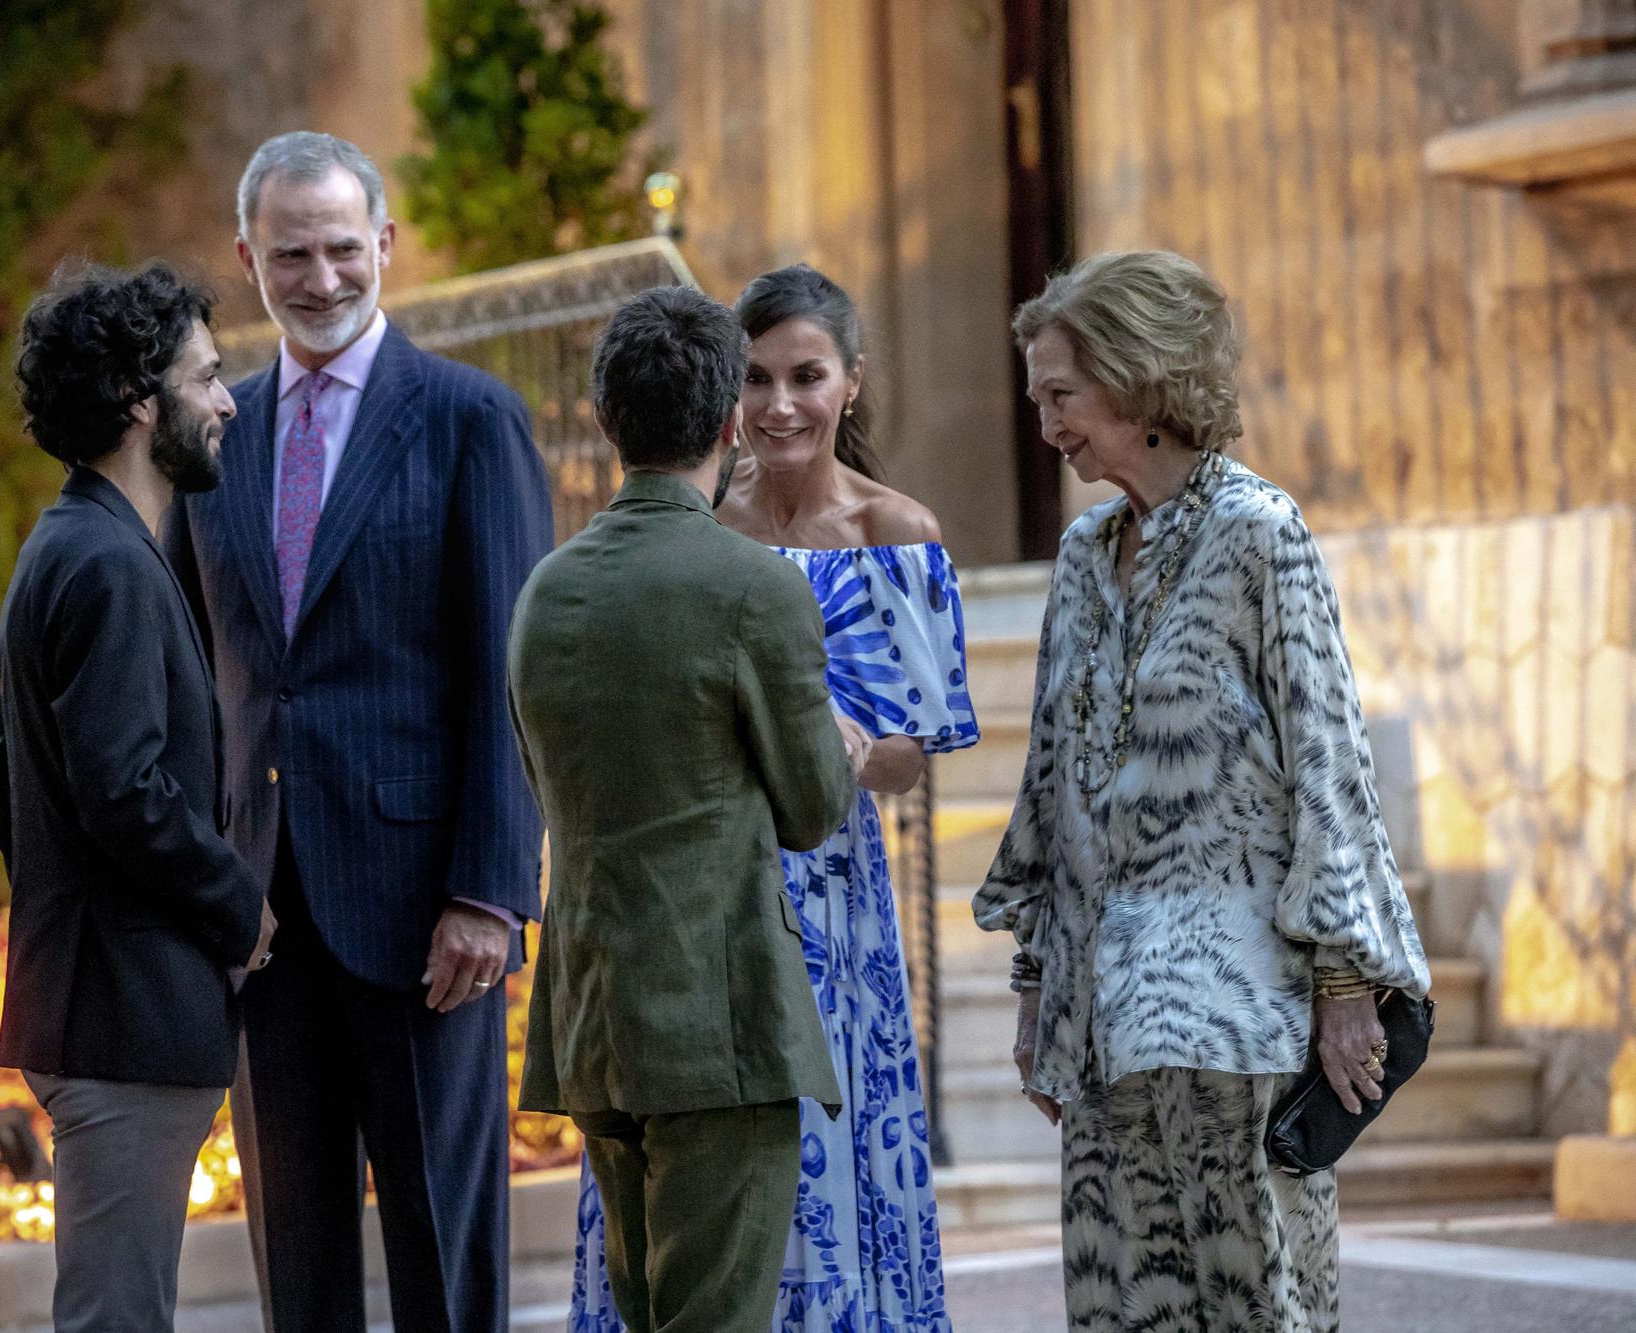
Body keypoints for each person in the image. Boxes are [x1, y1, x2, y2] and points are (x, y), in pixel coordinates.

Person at [972, 250, 1430, 1332]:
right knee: (1121, 1303)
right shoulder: (1083, 555)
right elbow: (1049, 781)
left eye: (1059, 394)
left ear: (1135, 385)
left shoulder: (1261, 534)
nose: (1045, 424)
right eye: (1036, 397)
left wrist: (1343, 981)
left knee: (1255, 1303)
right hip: (1101, 1015)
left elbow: (1328, 760)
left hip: (1235, 1015)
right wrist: (1036, 983)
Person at [159, 130, 552, 1332]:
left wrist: (488, 891)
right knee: (296, 1253)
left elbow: (509, 672)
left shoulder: (468, 418)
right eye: (291, 255)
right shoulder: (214, 433)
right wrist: (203, 880)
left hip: (424, 912)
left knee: (443, 1240)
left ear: (384, 244)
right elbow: (196, 668)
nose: (320, 277)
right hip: (262, 916)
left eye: (341, 249)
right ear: (247, 257)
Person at [568, 264, 978, 1330]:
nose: (779, 403)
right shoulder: (693, 522)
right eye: (754, 378)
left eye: (806, 375)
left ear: (851, 384)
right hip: (694, 886)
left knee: (820, 1144)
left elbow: (909, 755)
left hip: (828, 894)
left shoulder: (900, 530)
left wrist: (840, 745)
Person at [513, 284, 873, 1333]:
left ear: (603, 421)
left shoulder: (544, 590)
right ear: (728, 423)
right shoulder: (750, 586)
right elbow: (812, 808)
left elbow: (550, 779)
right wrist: (837, 749)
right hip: (717, 1017)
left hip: (592, 1014)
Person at [0, 262, 275, 1332]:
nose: (227, 399)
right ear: (138, 401)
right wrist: (238, 907)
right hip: (121, 1019)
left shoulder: (86, 545)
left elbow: (8, 777)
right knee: (116, 1318)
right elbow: (122, 790)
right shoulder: (103, 561)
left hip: (107, 1002)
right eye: (205, 375)